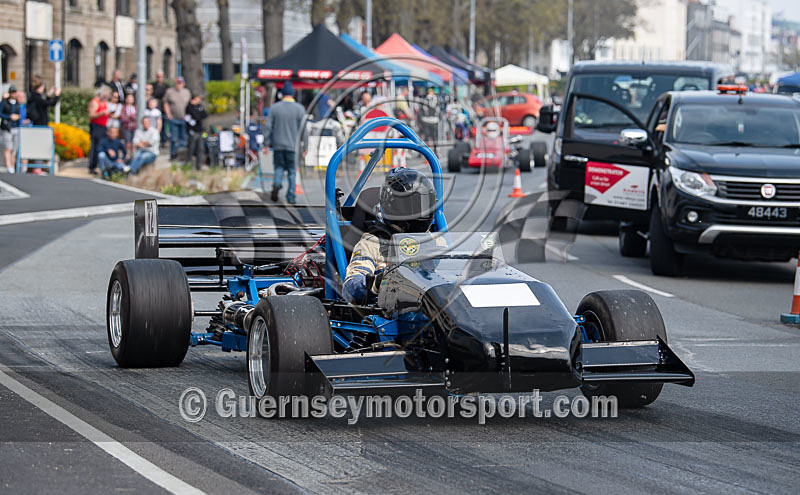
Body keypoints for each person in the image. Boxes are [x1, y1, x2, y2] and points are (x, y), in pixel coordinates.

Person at [342, 167, 437, 304]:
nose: (419, 212)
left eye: (422, 205)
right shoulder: (373, 242)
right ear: (394, 206)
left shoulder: (434, 240)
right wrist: (377, 283)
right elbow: (351, 288)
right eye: (412, 206)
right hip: (392, 313)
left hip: (432, 307)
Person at [264, 81, 305, 204]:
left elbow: (268, 127)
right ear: (293, 94)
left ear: (282, 94)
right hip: (293, 147)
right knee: (292, 171)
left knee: (279, 168)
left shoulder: (274, 108)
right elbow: (304, 130)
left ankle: (276, 184)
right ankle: (291, 196)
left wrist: (266, 144)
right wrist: (306, 147)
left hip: (278, 145)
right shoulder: (299, 109)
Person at [0, 86, 29, 173]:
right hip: (7, 127)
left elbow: (23, 113)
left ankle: (12, 166)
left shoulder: (17, 103)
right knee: (8, 147)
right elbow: (1, 113)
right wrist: (9, 117)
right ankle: (9, 166)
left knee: (14, 149)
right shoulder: (4, 103)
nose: (13, 94)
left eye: (14, 92)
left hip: (16, 127)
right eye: (12, 92)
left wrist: (19, 117)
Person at [164, 76, 191, 158]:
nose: (179, 84)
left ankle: (182, 155)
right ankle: (173, 155)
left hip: (184, 119)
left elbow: (190, 104)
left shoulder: (187, 92)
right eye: (177, 83)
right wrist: (168, 114)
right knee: (174, 139)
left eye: (181, 83)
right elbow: (165, 103)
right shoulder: (169, 91)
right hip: (174, 118)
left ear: (183, 84)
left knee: (184, 138)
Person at [88, 86, 112, 174]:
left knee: (103, 146)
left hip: (103, 127)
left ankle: (102, 165)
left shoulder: (104, 103)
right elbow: (91, 115)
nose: (106, 98)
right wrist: (102, 113)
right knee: (95, 146)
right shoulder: (95, 102)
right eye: (104, 96)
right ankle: (92, 166)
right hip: (96, 126)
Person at [184, 92, 208, 170]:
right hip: (192, 131)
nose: (199, 100)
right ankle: (189, 165)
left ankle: (199, 166)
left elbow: (204, 115)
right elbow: (195, 116)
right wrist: (198, 115)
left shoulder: (200, 106)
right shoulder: (189, 107)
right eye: (198, 98)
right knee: (191, 148)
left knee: (200, 148)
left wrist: (198, 115)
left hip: (200, 131)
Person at [119, 92, 137, 158]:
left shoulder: (135, 107)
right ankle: (127, 154)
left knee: (134, 141)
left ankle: (134, 154)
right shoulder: (124, 107)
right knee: (127, 141)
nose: (129, 99)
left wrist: (130, 116)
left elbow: (136, 117)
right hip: (126, 127)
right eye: (128, 98)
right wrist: (130, 117)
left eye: (131, 98)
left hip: (134, 127)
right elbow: (123, 118)